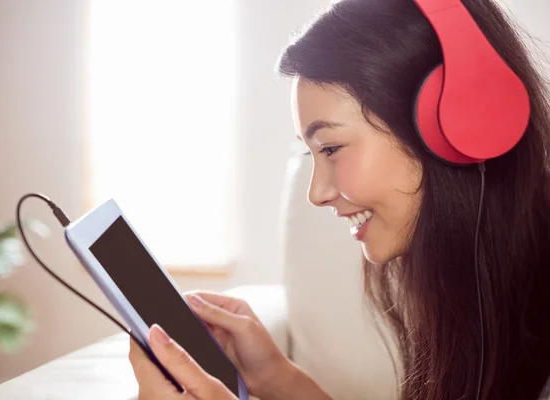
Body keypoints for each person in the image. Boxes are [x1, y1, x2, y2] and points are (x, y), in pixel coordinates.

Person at [128, 0, 550, 399]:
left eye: (330, 148)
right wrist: (280, 380)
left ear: (461, 123)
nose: (316, 194)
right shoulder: (475, 289)